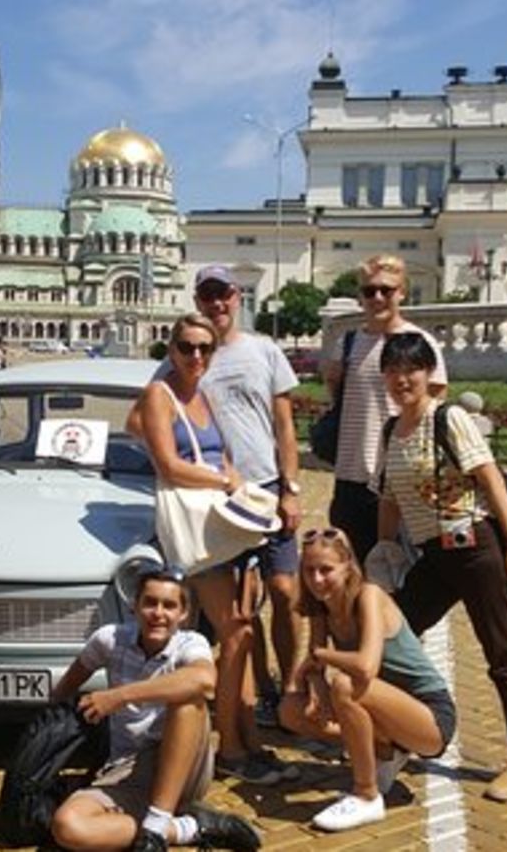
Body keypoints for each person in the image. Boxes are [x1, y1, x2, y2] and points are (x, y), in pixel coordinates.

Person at [375, 332, 507, 803]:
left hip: (476, 548)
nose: (401, 379)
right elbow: (389, 499)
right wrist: (384, 556)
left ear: (430, 375)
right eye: (392, 370)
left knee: (501, 650)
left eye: (411, 369)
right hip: (431, 556)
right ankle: (401, 731)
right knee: (390, 634)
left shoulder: (448, 419)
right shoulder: (392, 431)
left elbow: (488, 478)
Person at [135, 313, 270, 785]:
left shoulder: (203, 393)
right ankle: (230, 747)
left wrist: (232, 480)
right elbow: (169, 466)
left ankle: (248, 736)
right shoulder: (161, 394)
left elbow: (220, 453)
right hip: (198, 532)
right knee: (233, 633)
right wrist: (224, 479)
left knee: (244, 632)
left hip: (223, 523)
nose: (196, 356)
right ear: (170, 349)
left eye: (205, 349)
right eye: (187, 347)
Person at [49, 563, 262, 852]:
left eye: (169, 605)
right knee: (67, 827)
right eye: (149, 603)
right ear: (134, 606)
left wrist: (119, 696)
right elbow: (63, 692)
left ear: (183, 614)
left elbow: (204, 681)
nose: (158, 613)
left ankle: (157, 823)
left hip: (182, 766)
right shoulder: (109, 639)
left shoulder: (190, 642)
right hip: (123, 770)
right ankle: (184, 827)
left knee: (187, 699)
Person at [190, 265, 303, 772]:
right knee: (241, 609)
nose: (217, 303)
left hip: (267, 488)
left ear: (237, 297)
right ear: (198, 299)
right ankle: (257, 697)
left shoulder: (263, 350)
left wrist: (291, 487)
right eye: (208, 295)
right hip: (223, 497)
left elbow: (284, 423)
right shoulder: (192, 357)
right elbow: (153, 412)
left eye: (224, 294)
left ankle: (292, 686)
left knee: (284, 590)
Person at [281, 528, 456, 832]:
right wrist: (317, 691)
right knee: (291, 711)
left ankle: (366, 795)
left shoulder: (369, 595)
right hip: (387, 709)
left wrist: (321, 659)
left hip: (430, 718)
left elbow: (364, 666)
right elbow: (315, 663)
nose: (317, 579)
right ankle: (386, 751)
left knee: (347, 686)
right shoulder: (321, 604)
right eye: (309, 570)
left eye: (326, 570)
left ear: (348, 566)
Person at [323, 254, 447, 563]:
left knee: (399, 574)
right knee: (350, 576)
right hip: (351, 477)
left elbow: (435, 408)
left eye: (386, 290)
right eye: (369, 291)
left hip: (400, 479)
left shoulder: (420, 343)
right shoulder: (347, 344)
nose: (377, 297)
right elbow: (338, 398)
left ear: (402, 292)